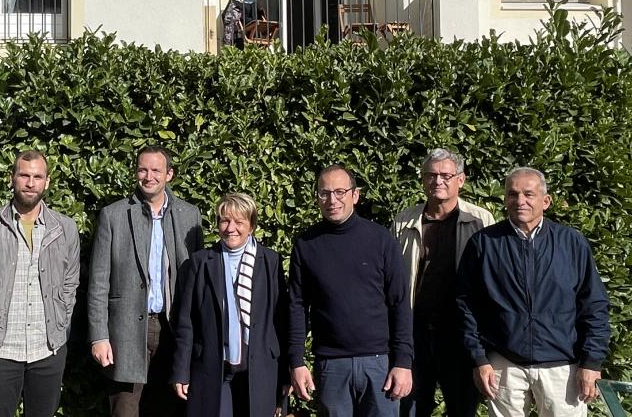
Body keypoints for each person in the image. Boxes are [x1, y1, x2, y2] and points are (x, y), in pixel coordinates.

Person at [456, 167, 611, 417]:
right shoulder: (484, 243)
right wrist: (479, 359)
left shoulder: (571, 242)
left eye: (529, 194)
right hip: (504, 366)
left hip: (562, 366)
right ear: (505, 199)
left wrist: (592, 362)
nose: (520, 201)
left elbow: (593, 304)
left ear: (546, 201)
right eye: (513, 194)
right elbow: (466, 305)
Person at [0, 150, 81, 417]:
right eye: (24, 175)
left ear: (47, 182)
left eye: (37, 176)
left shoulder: (65, 229)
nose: (30, 182)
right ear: (12, 177)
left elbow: (71, 284)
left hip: (48, 351)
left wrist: (60, 325)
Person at [87, 145, 205, 417]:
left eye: (156, 170)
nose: (148, 176)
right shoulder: (113, 215)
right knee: (125, 411)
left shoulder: (190, 216)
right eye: (143, 169)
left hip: (173, 330)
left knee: (169, 410)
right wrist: (99, 336)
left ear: (169, 174)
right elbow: (98, 282)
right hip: (124, 333)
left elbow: (198, 282)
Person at [288, 164, 414, 417]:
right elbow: (297, 306)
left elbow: (400, 303)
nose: (332, 200)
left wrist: (403, 362)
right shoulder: (306, 245)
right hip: (331, 366)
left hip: (380, 364)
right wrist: (297, 362)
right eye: (324, 193)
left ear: (355, 195)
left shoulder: (381, 240)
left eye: (340, 192)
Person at [391, 149, 494, 417]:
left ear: (461, 180)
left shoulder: (481, 221)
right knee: (411, 408)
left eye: (446, 175)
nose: (438, 181)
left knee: (462, 408)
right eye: (431, 175)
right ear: (423, 180)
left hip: (460, 335)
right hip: (416, 334)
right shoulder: (404, 221)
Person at [171, 193, 290, 417]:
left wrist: (286, 374)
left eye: (239, 222)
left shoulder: (270, 262)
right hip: (213, 368)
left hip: (261, 369)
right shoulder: (200, 262)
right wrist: (181, 371)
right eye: (224, 220)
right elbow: (186, 321)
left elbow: (281, 321)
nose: (230, 228)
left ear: (252, 226)